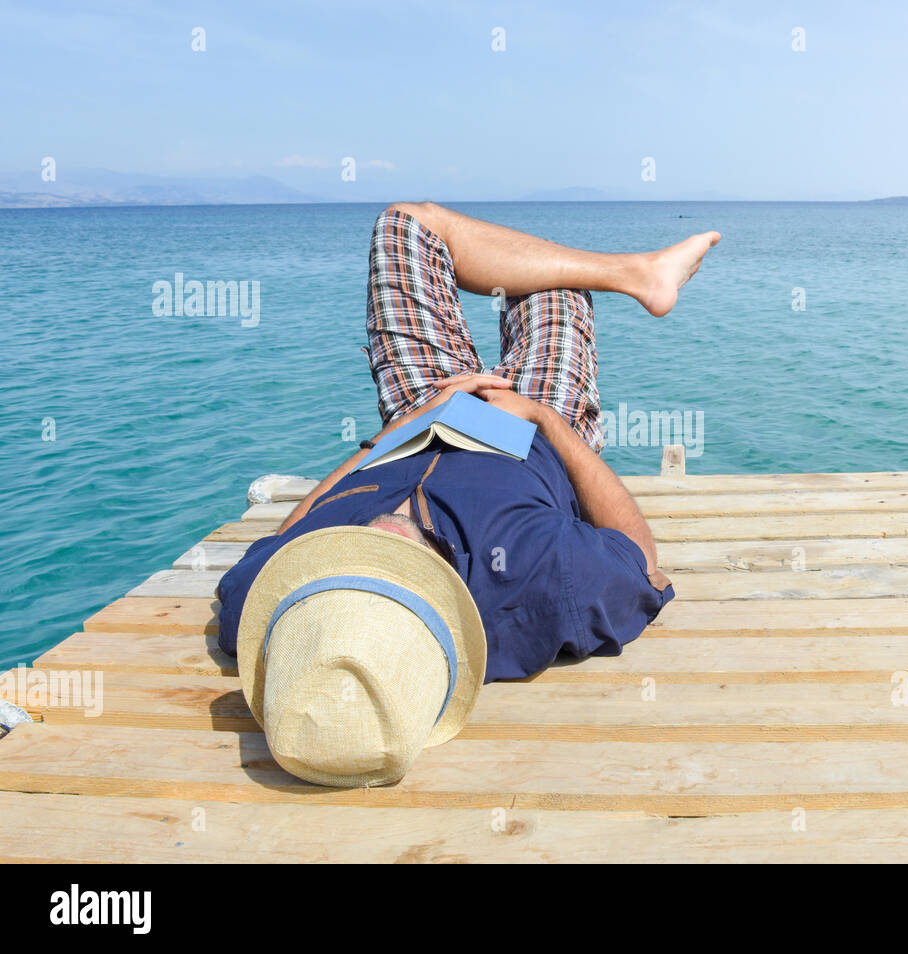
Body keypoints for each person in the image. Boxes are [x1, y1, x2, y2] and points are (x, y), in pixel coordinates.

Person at [217, 203, 720, 787]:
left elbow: (289, 533)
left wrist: (399, 430)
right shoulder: (544, 581)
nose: (378, 542)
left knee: (405, 224)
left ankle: (638, 273)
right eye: (395, 579)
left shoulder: (265, 599)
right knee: (551, 294)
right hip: (533, 428)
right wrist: (545, 421)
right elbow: (643, 562)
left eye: (358, 570)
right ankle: (637, 273)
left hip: (417, 418)